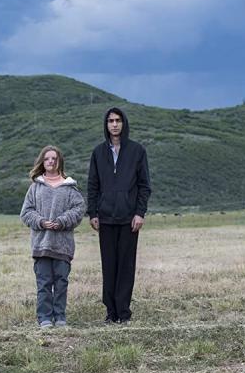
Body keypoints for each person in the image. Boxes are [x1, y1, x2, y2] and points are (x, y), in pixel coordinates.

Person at [87, 107, 151, 325]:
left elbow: (144, 186)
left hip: (128, 219)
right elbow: (92, 185)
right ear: (106, 125)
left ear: (124, 123)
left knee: (126, 265)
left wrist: (139, 213)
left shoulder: (137, 151)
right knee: (109, 265)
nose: (114, 124)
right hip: (105, 219)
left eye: (118, 120)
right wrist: (93, 212)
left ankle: (123, 312)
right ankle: (110, 312)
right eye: (110, 121)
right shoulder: (98, 153)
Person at [20, 145, 85, 329]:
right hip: (41, 245)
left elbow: (79, 209)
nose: (51, 161)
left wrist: (62, 221)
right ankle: (45, 318)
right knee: (44, 284)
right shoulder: (35, 187)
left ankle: (60, 317)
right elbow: (26, 213)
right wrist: (40, 222)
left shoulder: (70, 187)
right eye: (47, 158)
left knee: (61, 283)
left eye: (54, 158)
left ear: (59, 162)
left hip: (63, 245)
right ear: (42, 161)